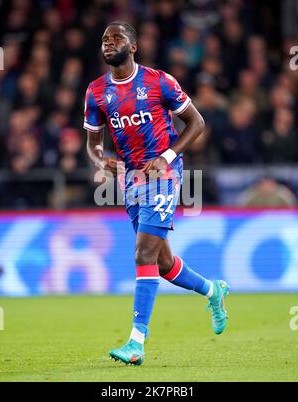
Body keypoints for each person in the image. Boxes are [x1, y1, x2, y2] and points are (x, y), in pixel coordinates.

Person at [84, 21, 230, 366]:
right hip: (132, 179)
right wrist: (102, 161)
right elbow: (92, 144)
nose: (109, 42)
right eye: (105, 38)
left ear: (133, 46)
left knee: (143, 253)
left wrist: (165, 157)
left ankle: (136, 342)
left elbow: (196, 123)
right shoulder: (95, 91)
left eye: (117, 37)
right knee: (162, 263)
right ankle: (214, 291)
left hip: (164, 174)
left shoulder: (158, 81)